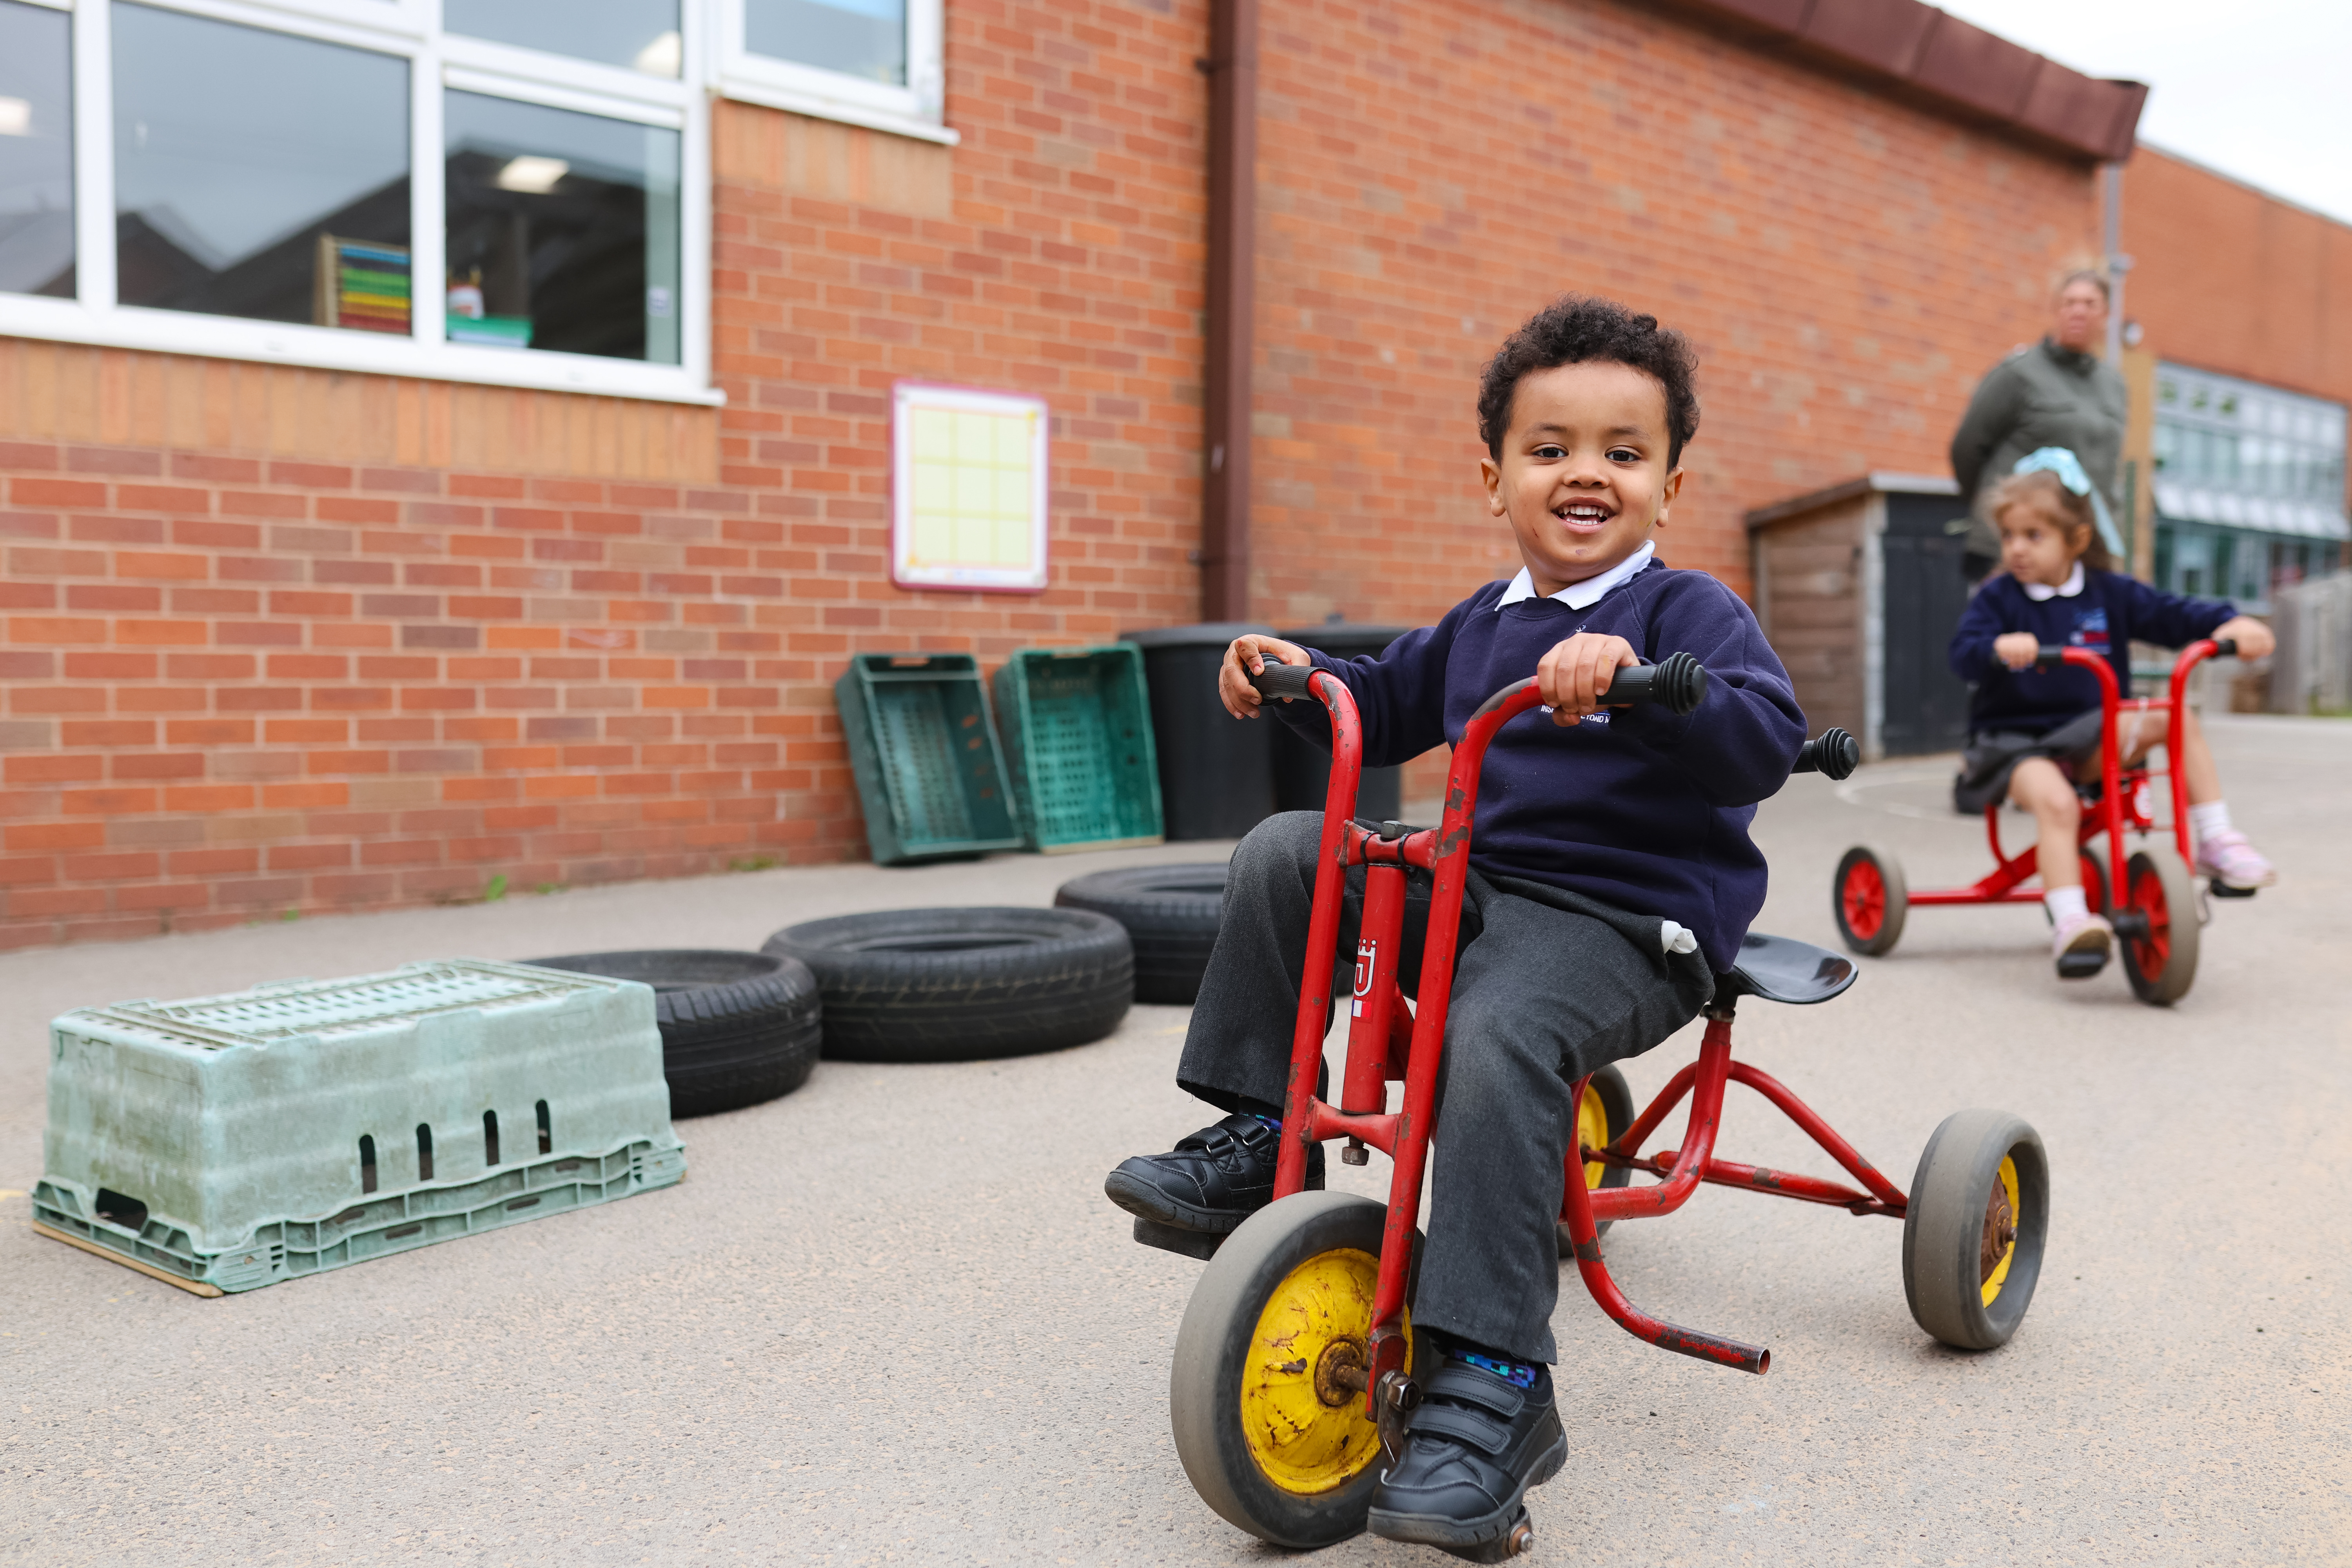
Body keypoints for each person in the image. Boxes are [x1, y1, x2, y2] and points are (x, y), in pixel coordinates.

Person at [1102, 296, 1805, 1558]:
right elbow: (1380, 700)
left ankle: (1494, 1379)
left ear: (1667, 487)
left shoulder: (1685, 612)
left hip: (1626, 916)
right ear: (1495, 480)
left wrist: (1646, 689)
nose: (1585, 472)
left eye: (1621, 452)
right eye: (1549, 448)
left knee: (1495, 1029)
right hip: (1486, 886)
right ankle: (1260, 1134)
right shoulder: (1486, 620)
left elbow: (1761, 736)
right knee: (1291, 851)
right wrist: (1294, 675)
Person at [1949, 452, 2277, 979]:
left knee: (2172, 715)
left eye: (2034, 535)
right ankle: (2071, 922)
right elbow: (1963, 653)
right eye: (2008, 535)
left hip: (2088, 736)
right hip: (2013, 743)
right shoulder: (1999, 598)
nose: (2017, 548)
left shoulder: (2110, 592)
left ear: (2076, 539)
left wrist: (2230, 623)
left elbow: (2173, 614)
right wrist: (1997, 647)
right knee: (2059, 805)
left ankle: (2216, 839)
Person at [1950, 272, 2129, 576]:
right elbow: (1967, 449)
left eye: (2090, 304)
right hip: (2013, 550)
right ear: (2056, 311)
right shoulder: (2018, 374)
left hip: (2082, 551)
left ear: (2106, 315)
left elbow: (2108, 472)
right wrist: (1999, 506)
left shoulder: (2115, 386)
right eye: (2069, 303)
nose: (2079, 311)